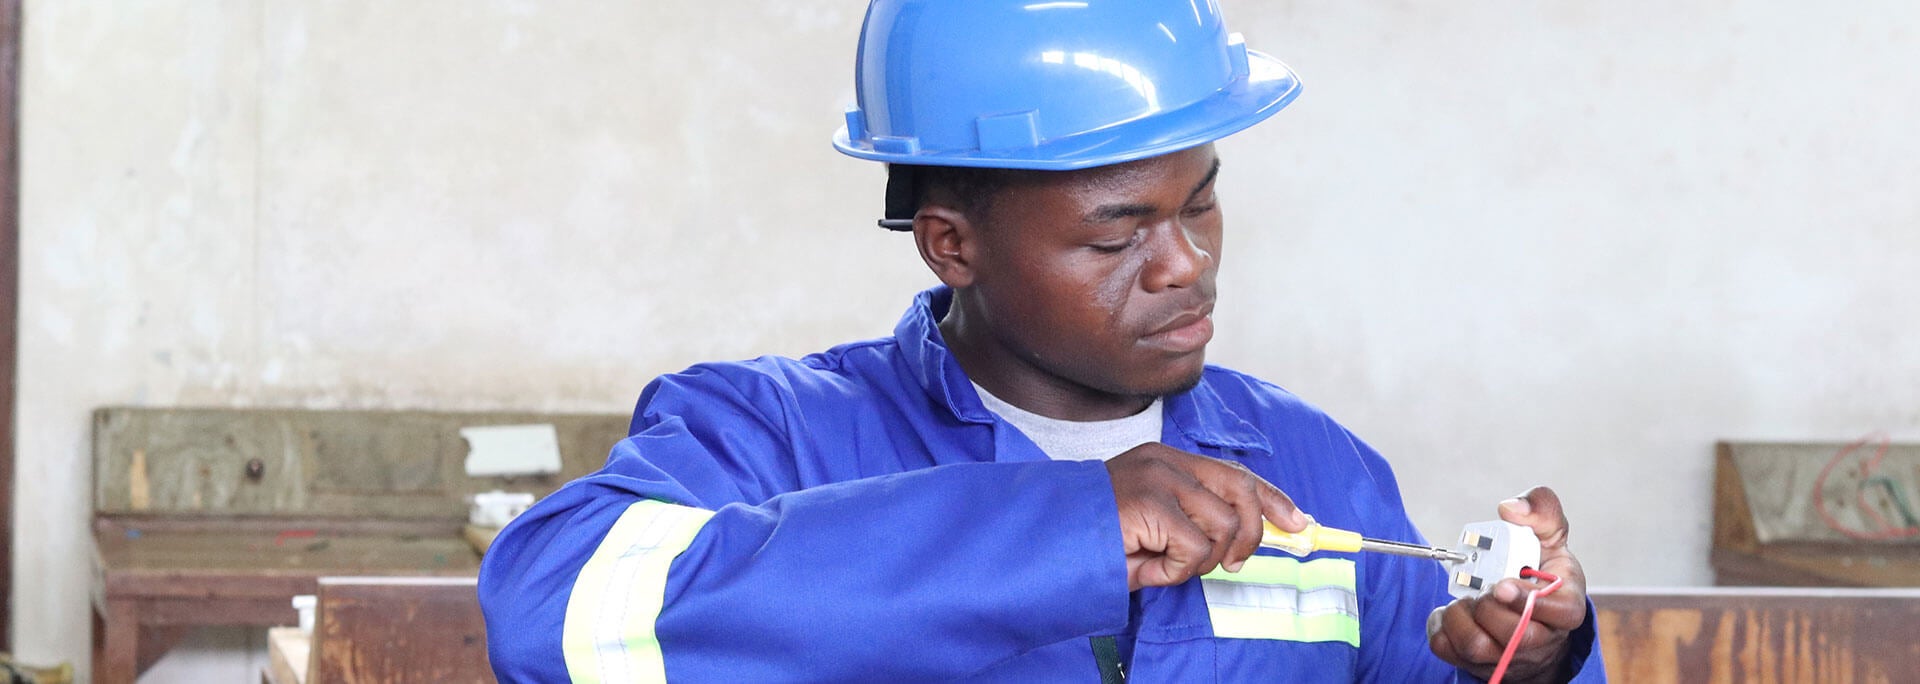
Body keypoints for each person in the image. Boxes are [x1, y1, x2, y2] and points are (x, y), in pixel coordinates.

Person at [479, 1, 1605, 681]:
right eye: (1116, 233)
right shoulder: (772, 436)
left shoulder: (1314, 467)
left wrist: (1534, 659)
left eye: (1199, 204)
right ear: (950, 245)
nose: (1186, 263)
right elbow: (549, 616)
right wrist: (1069, 525)